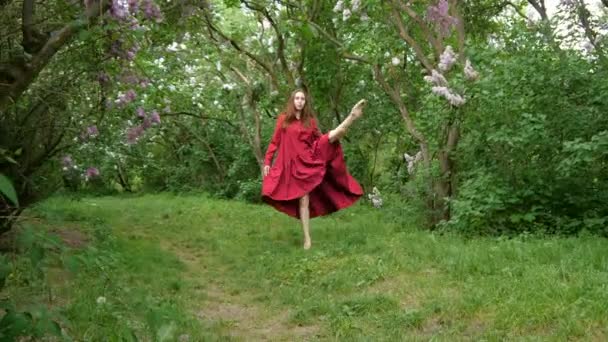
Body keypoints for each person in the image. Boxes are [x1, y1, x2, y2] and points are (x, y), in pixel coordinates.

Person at [261, 89, 366, 250]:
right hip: (291, 165)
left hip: (307, 162)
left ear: (305, 102)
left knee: (304, 199)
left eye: (302, 98)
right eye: (297, 98)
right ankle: (343, 126)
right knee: (281, 192)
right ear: (292, 101)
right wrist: (267, 161)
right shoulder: (283, 119)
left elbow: (318, 139)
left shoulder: (309, 121)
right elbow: (275, 142)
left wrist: (329, 141)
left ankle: (307, 239)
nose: (300, 101)